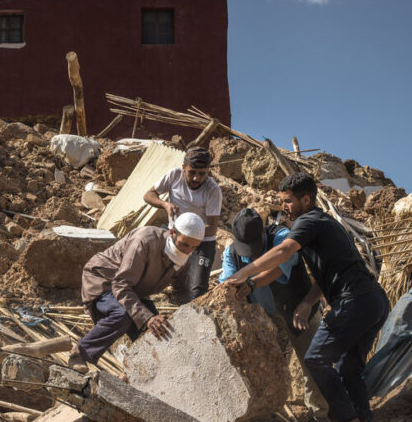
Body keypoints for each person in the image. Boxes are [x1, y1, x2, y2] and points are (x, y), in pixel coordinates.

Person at [224, 172, 389, 422]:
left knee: (315, 358)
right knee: (348, 369)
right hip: (374, 301)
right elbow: (327, 276)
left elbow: (285, 250)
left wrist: (246, 274)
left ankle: (344, 418)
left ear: (307, 199)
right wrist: (308, 302)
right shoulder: (323, 225)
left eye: (288, 201)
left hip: (353, 301)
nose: (284, 207)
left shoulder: (308, 221)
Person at [218, 208, 329, 419]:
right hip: (265, 319)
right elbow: (228, 283)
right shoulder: (231, 253)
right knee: (266, 372)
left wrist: (251, 282)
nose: (251, 254)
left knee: (314, 364)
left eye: (255, 247)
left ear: (263, 232)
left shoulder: (282, 237)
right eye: (246, 250)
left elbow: (280, 267)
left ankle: (321, 414)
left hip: (300, 309)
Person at [68, 212, 205, 371]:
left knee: (159, 332)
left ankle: (136, 375)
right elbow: (121, 284)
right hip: (105, 280)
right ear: (173, 232)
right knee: (123, 316)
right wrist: (147, 317)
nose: (189, 251)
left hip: (134, 290)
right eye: (185, 244)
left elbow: (182, 291)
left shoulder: (184, 260)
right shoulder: (145, 240)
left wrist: (193, 313)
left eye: (194, 247)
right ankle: (79, 354)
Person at [144, 146, 221, 300]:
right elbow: (148, 195)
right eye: (191, 172)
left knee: (197, 290)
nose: (196, 178)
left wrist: (189, 237)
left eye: (202, 174)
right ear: (183, 168)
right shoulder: (174, 176)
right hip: (174, 235)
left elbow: (212, 228)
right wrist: (165, 205)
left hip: (202, 242)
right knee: (159, 271)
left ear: (208, 171)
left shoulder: (212, 190)